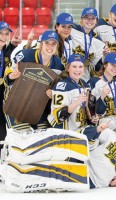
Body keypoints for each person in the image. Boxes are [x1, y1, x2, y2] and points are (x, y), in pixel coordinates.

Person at [5, 30, 63, 131]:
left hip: (38, 108)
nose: (50, 47)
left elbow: (57, 85)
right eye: (47, 43)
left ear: (57, 46)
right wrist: (11, 76)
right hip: (16, 104)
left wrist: (53, 91)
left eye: (53, 44)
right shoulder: (25, 55)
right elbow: (7, 73)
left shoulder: (58, 64)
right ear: (41, 44)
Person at [48, 54, 101, 140]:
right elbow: (58, 116)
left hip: (80, 128)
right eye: (74, 66)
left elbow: (87, 111)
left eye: (80, 67)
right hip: (64, 132)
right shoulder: (62, 86)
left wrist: (92, 118)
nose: (78, 70)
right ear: (68, 68)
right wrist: (76, 102)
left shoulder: (85, 85)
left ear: (84, 69)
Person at [0, 21, 21, 149]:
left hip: (2, 90)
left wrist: (13, 44)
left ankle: (2, 147)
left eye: (6, 34)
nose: (3, 36)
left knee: (2, 121)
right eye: (1, 33)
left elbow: (7, 56)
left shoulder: (3, 50)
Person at [71, 7, 105, 82]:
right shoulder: (72, 29)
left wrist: (104, 57)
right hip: (68, 73)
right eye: (86, 18)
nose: (89, 21)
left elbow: (95, 64)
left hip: (85, 77)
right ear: (81, 19)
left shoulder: (98, 40)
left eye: (92, 18)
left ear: (96, 21)